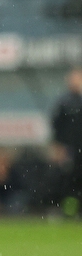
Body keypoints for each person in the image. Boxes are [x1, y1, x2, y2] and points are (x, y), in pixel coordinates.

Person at [51, 67, 82, 216]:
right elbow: (57, 126)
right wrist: (59, 147)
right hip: (70, 149)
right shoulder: (64, 102)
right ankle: (66, 210)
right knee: (68, 180)